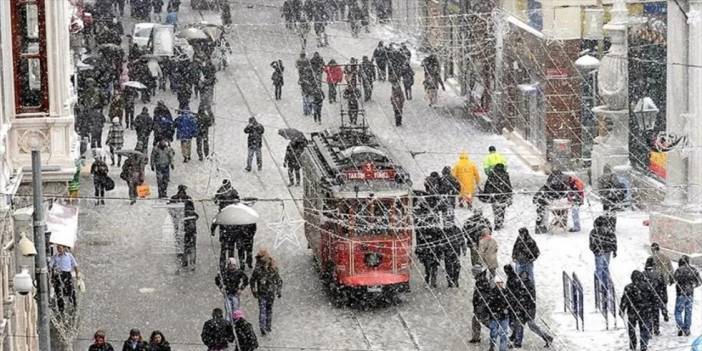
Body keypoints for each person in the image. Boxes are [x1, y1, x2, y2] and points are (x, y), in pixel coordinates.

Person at [504, 265, 553, 348]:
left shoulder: (527, 285)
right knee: (520, 324)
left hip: (527, 309)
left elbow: (529, 298)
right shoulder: (517, 282)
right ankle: (517, 341)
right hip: (522, 308)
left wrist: (526, 308)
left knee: (529, 325)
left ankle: (546, 337)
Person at [250, 250, 283, 335]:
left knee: (269, 310)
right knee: (262, 310)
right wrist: (254, 291)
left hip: (270, 293)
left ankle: (268, 326)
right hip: (262, 293)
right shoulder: (257, 270)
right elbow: (252, 280)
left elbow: (279, 280)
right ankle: (263, 327)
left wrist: (279, 290)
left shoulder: (273, 269)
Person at [620, 270, 654, 351]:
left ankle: (633, 344)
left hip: (632, 311)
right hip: (644, 311)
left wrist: (621, 310)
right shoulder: (647, 286)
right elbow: (653, 298)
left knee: (632, 329)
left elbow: (624, 300)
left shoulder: (628, 287)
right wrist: (652, 308)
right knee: (643, 329)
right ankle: (643, 344)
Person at [170, 185, 198, 269]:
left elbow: (170, 209)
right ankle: (191, 260)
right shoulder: (188, 199)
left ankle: (182, 258)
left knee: (180, 241)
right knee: (191, 244)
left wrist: (175, 216)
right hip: (190, 227)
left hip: (180, 224)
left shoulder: (173, 198)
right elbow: (194, 211)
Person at [674, 255, 701, 336]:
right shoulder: (693, 270)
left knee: (678, 312)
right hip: (690, 294)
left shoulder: (679, 270)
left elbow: (674, 279)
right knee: (688, 312)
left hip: (681, 294)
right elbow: (699, 282)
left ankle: (681, 326)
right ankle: (687, 329)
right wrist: (693, 285)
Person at [480, 163, 512, 230]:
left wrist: (486, 194)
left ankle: (497, 222)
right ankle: (500, 222)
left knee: (495, 210)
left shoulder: (491, 175)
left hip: (494, 196)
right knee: (502, 210)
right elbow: (508, 185)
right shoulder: (505, 175)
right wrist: (509, 195)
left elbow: (487, 185)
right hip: (503, 196)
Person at [589, 215, 617, 291]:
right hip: (599, 253)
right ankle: (601, 285)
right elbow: (591, 245)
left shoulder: (608, 233)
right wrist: (596, 250)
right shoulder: (594, 232)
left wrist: (614, 250)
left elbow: (613, 242)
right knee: (600, 268)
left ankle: (605, 284)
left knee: (605, 268)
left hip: (607, 252)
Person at [50, 244, 80, 313]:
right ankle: (61, 309)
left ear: (64, 248)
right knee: (59, 292)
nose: (59, 250)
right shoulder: (55, 257)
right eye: (57, 248)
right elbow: (50, 267)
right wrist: (51, 276)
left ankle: (74, 306)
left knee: (71, 290)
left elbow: (75, 265)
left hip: (67, 274)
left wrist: (77, 274)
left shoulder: (69, 256)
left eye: (60, 248)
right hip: (58, 275)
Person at [597, 164, 627, 231]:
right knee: (613, 212)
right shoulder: (613, 176)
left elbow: (599, 189)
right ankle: (612, 226)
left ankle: (606, 225)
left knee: (606, 212)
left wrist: (603, 195)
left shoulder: (601, 177)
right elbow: (617, 185)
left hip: (605, 198)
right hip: (613, 197)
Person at [643, 257, 668, 336]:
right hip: (657, 296)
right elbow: (664, 287)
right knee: (655, 313)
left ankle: (649, 329)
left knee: (648, 313)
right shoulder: (659, 274)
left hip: (647, 297)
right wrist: (664, 297)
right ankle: (656, 329)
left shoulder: (643, 274)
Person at [470, 265, 492, 344]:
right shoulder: (480, 280)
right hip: (480, 305)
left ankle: (500, 332)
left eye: (473, 272)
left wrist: (480, 306)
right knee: (476, 321)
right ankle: (476, 337)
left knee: (484, 321)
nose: (472, 274)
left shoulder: (481, 281)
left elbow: (483, 295)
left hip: (481, 306)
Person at [488, 275, 511, 351]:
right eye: (498, 283)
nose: (500, 284)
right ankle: (493, 346)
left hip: (502, 316)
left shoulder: (505, 292)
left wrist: (507, 310)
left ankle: (502, 349)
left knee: (502, 334)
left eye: (501, 283)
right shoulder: (492, 293)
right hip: (496, 316)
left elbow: (510, 304)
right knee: (493, 333)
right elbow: (489, 305)